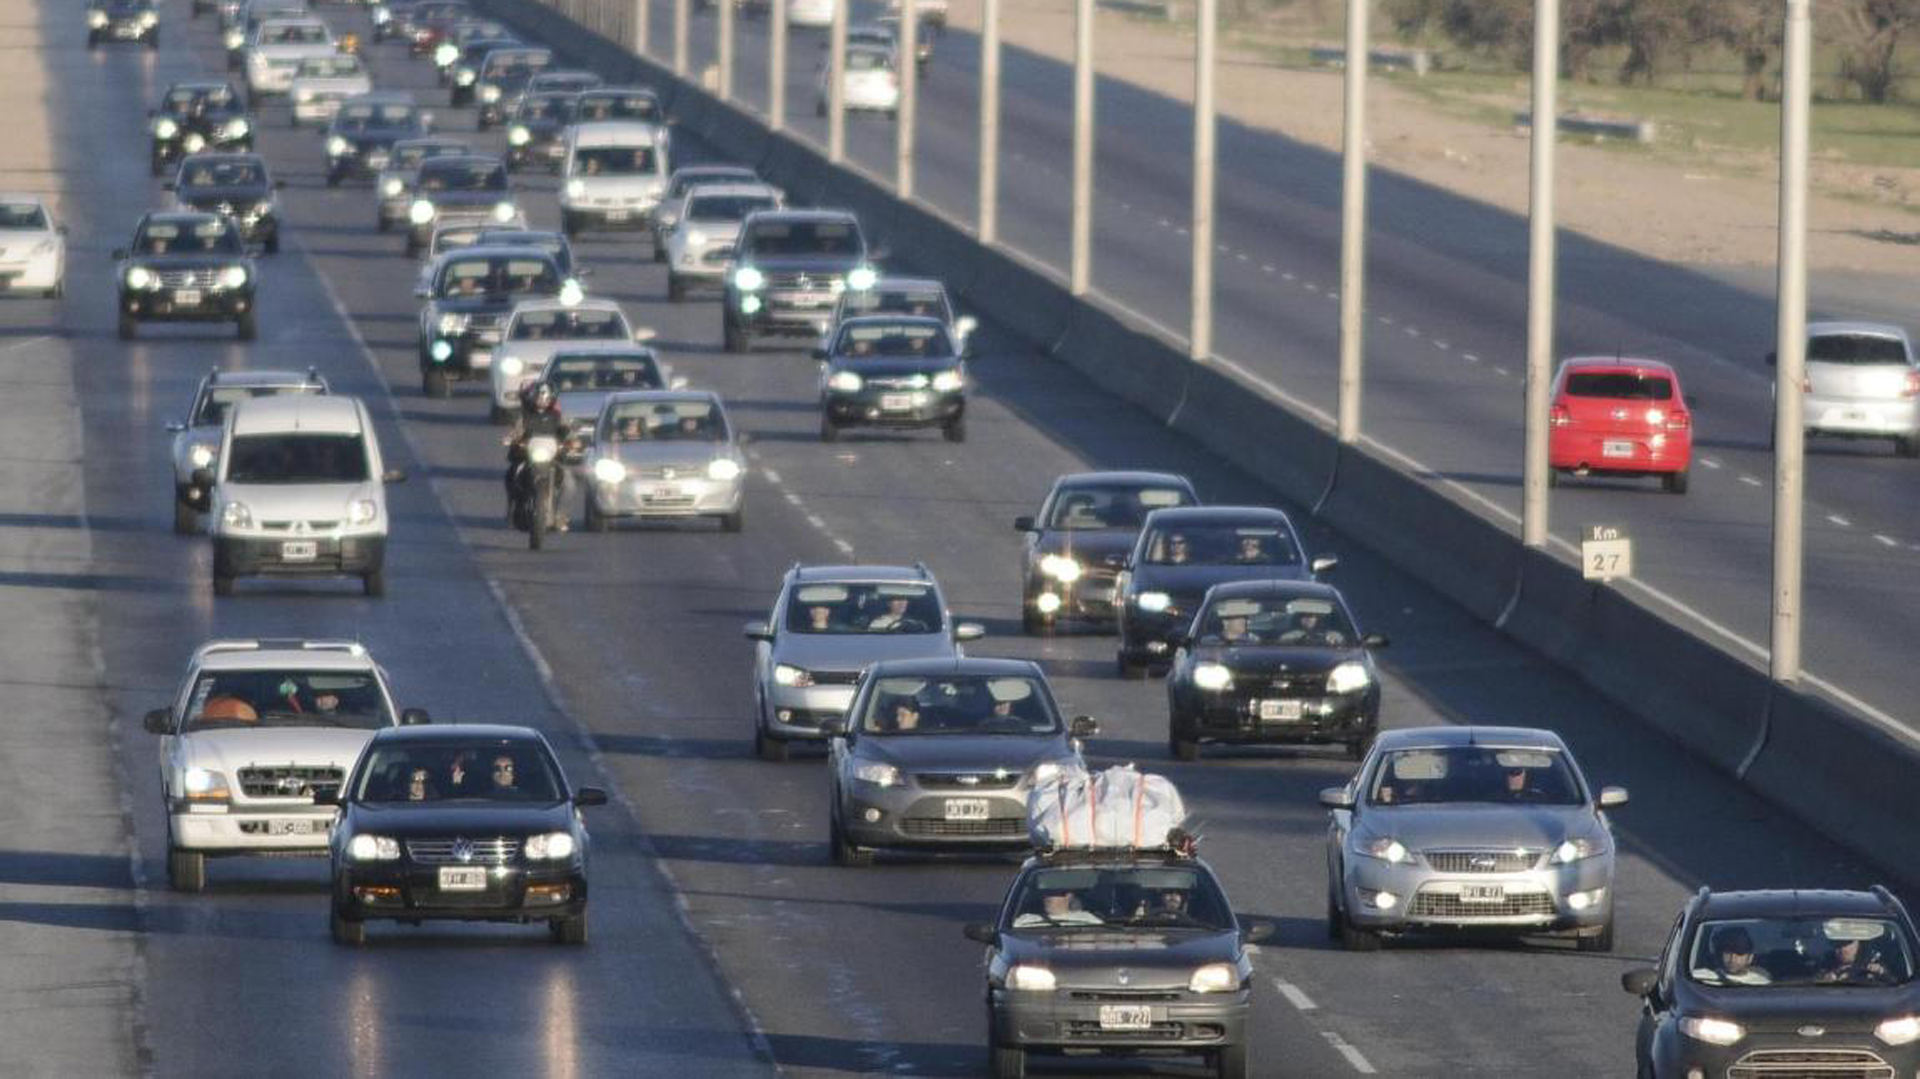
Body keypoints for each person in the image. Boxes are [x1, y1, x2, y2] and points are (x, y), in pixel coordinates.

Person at [503, 382, 568, 530]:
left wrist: (571, 441)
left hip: (551, 458)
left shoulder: (557, 416)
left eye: (546, 398)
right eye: (539, 398)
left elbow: (566, 430)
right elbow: (516, 431)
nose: (543, 401)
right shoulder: (525, 415)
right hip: (529, 456)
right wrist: (512, 439)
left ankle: (559, 514)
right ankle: (512, 507)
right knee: (513, 473)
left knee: (568, 483)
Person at [1819, 936, 1891, 984]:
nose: (1842, 949)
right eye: (1837, 944)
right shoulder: (1825, 965)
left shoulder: (1874, 965)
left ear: (1859, 944)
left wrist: (1881, 973)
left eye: (1847, 943)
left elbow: (1892, 985)